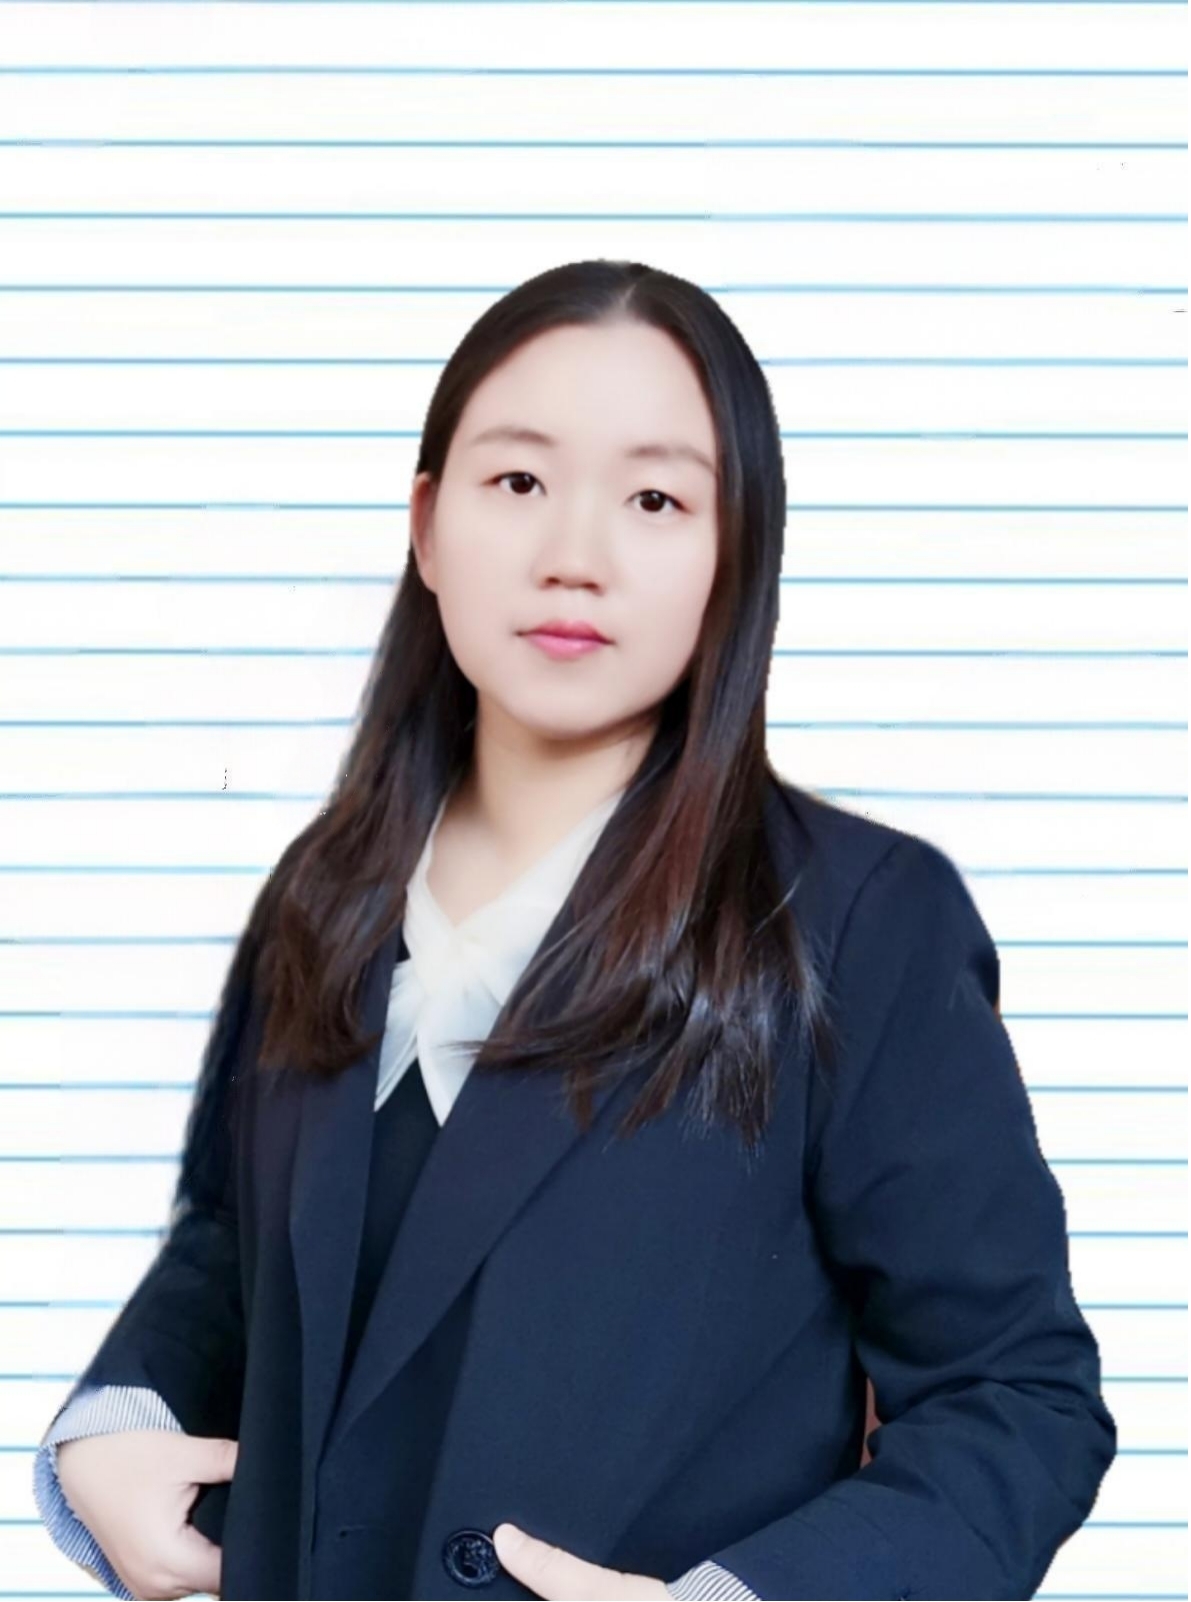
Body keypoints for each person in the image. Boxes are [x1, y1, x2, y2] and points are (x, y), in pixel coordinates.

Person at [34, 258, 1116, 1601]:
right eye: (518, 481)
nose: (574, 557)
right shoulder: (324, 890)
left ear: (735, 555)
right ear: (427, 527)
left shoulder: (856, 920)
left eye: (655, 499)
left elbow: (1016, 1395)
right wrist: (114, 1419)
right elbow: (229, 1242)